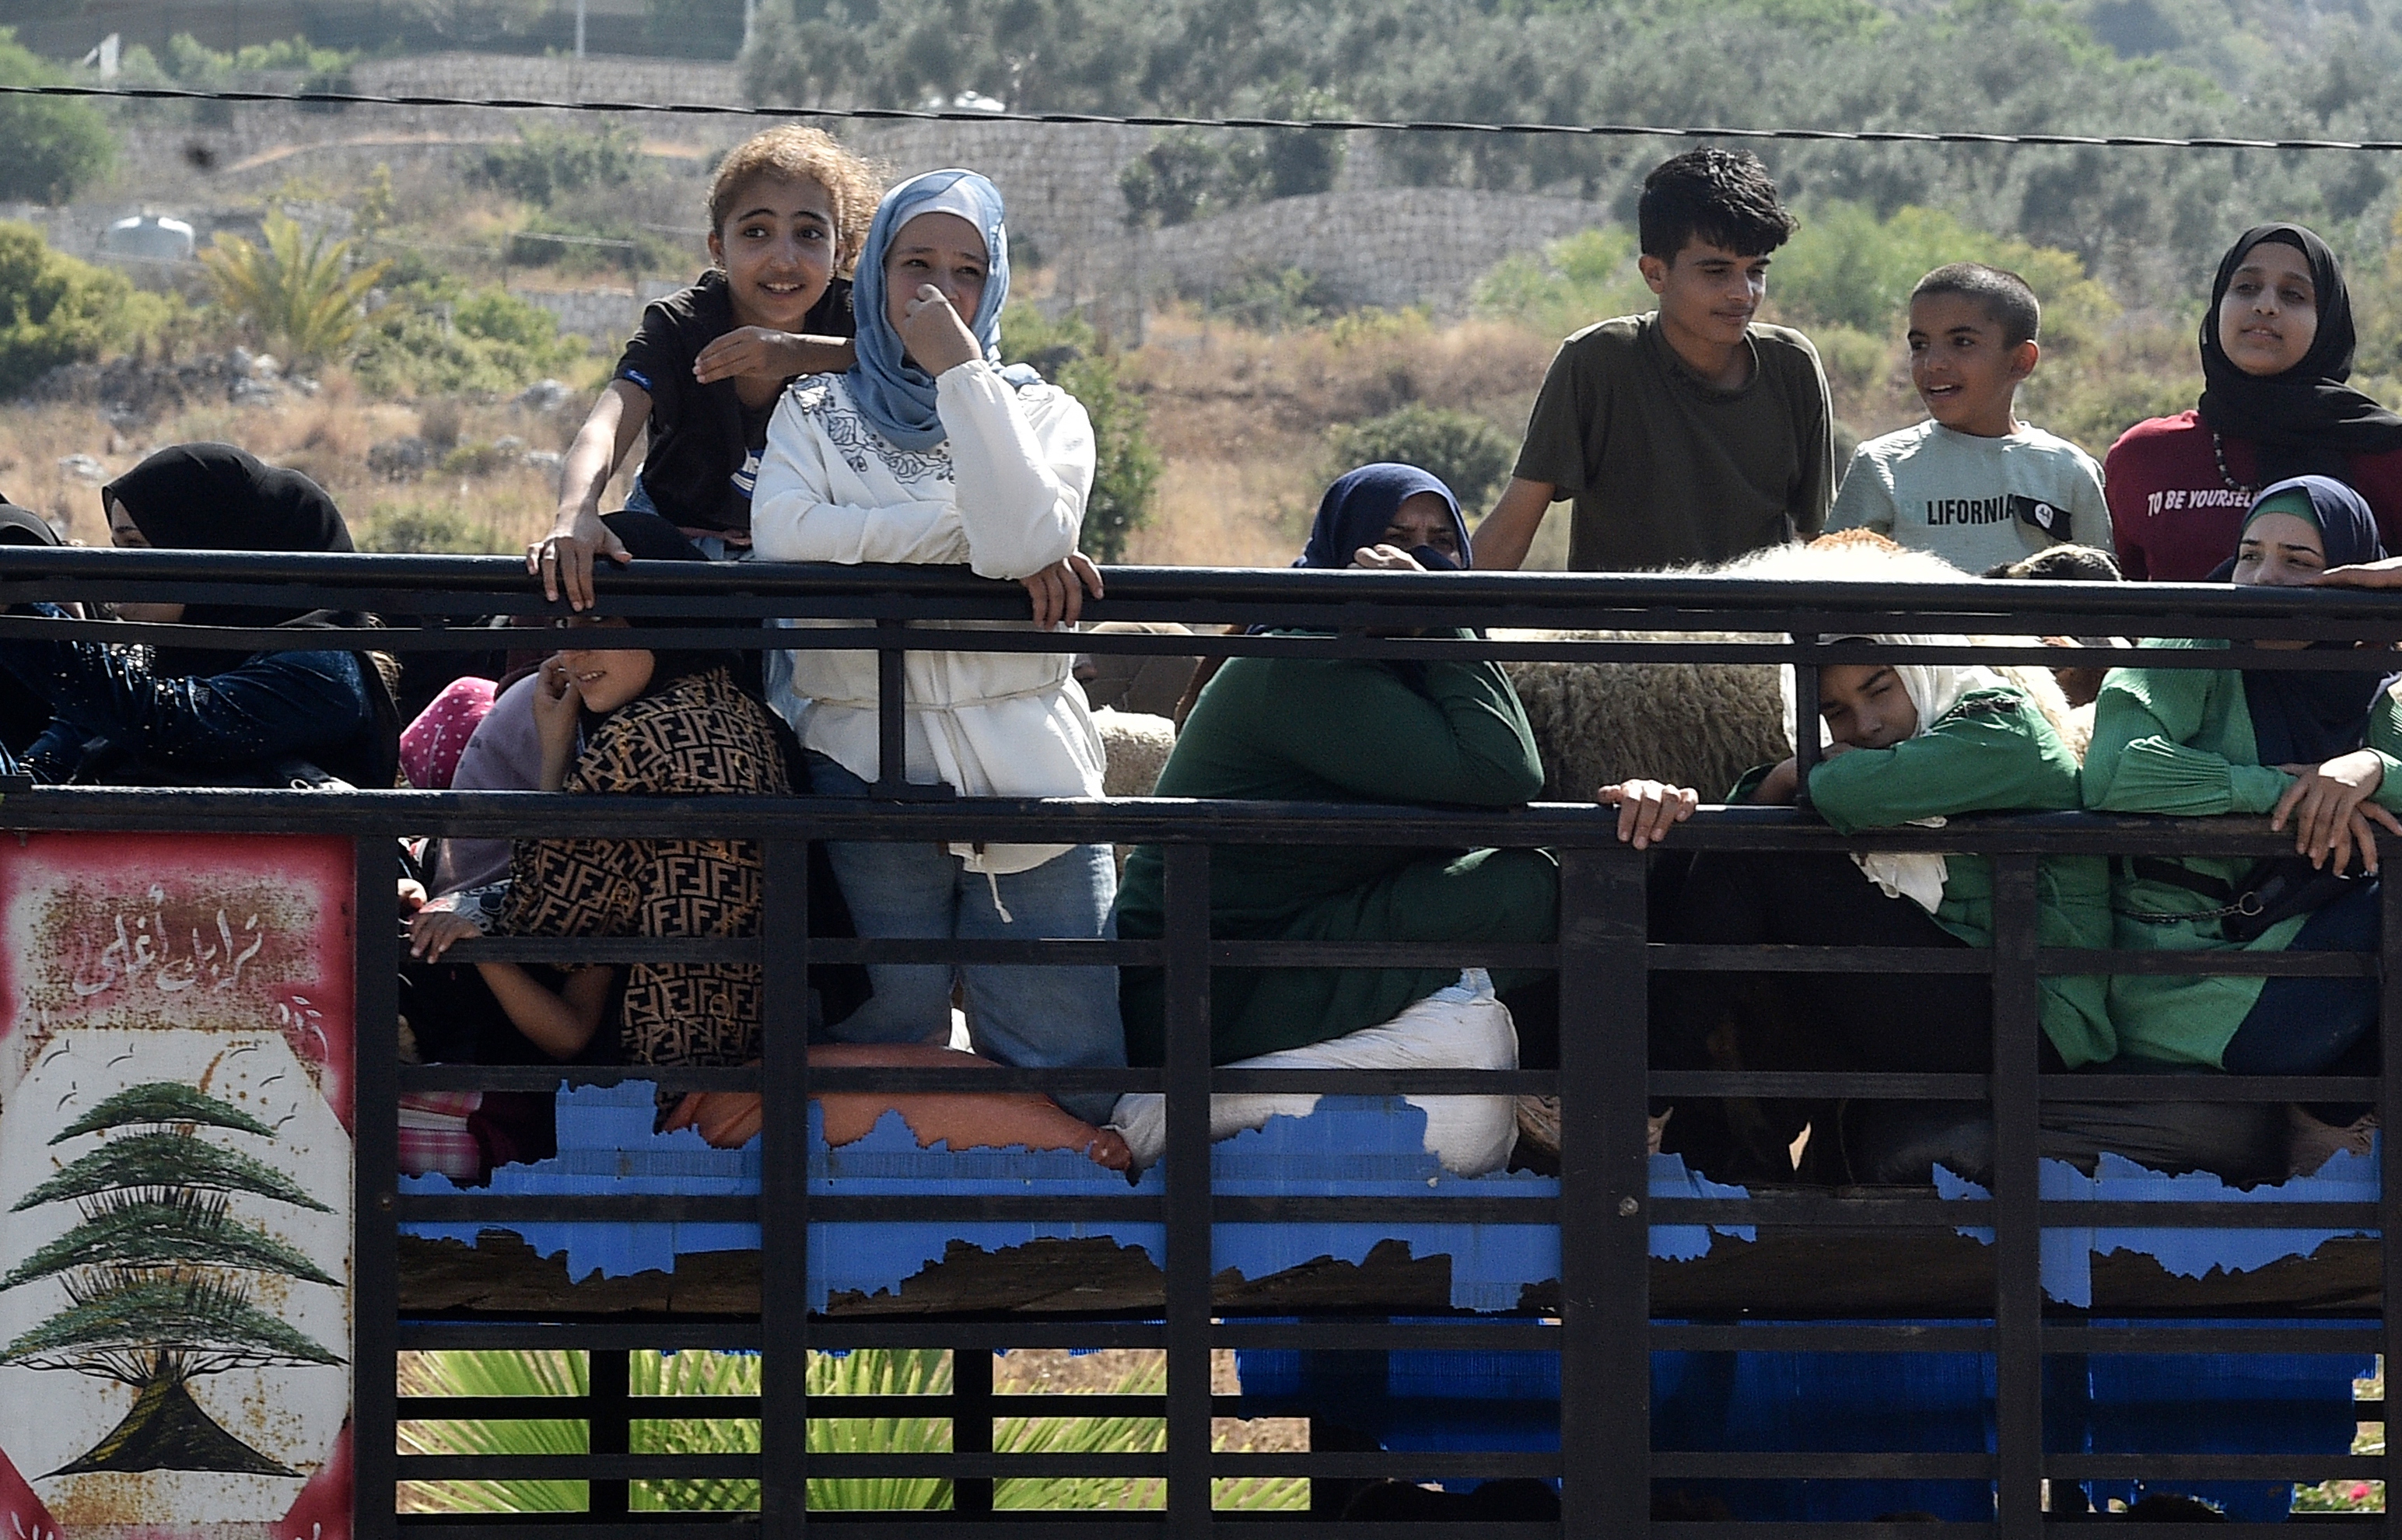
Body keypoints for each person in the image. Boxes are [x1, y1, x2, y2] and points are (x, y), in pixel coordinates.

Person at [1112, 464, 1695, 1175]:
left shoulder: (1391, 669)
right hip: (1213, 982)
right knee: (1525, 890)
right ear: (1339, 556)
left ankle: (1573, 1105)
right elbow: (1503, 771)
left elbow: (1492, 793)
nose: (1418, 561)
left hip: (1285, 943)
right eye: (1393, 541)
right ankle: (1570, 1107)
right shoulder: (1304, 663)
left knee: (1550, 876)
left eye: (1440, 545)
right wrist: (1446, 611)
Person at [748, 167, 1124, 1124]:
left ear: (992, 287)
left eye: (966, 271)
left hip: (1031, 778)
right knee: (881, 1041)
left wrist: (964, 375)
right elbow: (787, 536)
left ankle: (1059, 1258)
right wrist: (961, 540)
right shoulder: (812, 412)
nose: (937, 292)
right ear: (875, 273)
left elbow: (1023, 545)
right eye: (914, 263)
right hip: (863, 767)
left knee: (1063, 1054)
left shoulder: (1042, 416)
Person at [1658, 634, 2112, 1176]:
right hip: (1969, 985)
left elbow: (1843, 795)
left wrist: (1791, 774)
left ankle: (1634, 1101)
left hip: (2034, 1018)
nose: (1867, 724)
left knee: (1749, 865)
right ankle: (1695, 1160)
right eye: (1835, 711)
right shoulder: (1901, 755)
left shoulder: (2003, 727)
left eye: (1881, 690)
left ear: (1921, 667)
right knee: (1703, 875)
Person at [2082, 476, 2402, 1075]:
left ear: (2355, 578)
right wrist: (2286, 789)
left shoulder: (2376, 683)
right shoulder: (2197, 639)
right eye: (2249, 556)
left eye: (2300, 563)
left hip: (2295, 960)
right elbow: (2115, 771)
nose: (2263, 581)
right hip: (2182, 991)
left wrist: (2371, 770)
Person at [533, 124, 879, 605]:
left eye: (809, 234)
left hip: (805, 557)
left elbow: (917, 368)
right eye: (756, 232)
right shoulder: (681, 324)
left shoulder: (859, 321)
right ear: (719, 248)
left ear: (840, 250)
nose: (784, 258)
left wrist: (799, 352)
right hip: (672, 546)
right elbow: (607, 425)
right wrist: (575, 511)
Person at [1473, 148, 1833, 572]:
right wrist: (1436, 618)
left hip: (1753, 633)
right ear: (1655, 274)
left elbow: (1820, 543)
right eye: (1716, 272)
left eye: (1756, 271)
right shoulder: (1597, 363)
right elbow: (1513, 529)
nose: (1743, 293)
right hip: (1618, 633)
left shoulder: (1792, 367)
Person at [0, 443, 398, 788]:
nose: (117, 570)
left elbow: (171, 723)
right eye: (117, 549)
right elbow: (39, 775)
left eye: (138, 547)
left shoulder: (320, 669)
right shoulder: (146, 659)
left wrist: (20, 613)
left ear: (219, 544)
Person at [2105, 224, 2402, 581]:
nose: (2265, 306)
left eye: (2293, 295)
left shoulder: (2385, 452)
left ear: (2328, 321)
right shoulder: (2144, 456)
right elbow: (2119, 612)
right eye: (2246, 288)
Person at [1829, 263, 2112, 569]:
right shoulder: (1882, 465)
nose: (1933, 363)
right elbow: (1834, 583)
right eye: (1919, 345)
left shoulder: (2068, 471)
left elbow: (2098, 588)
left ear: (2021, 361)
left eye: (1962, 342)